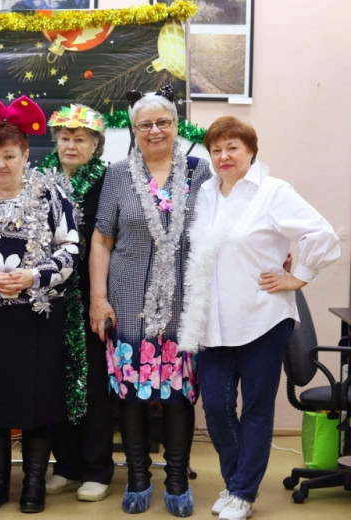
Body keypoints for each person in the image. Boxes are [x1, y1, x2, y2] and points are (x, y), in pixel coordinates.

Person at [178, 116, 340, 520]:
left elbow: (321, 233)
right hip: (212, 323)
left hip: (261, 319)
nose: (224, 156)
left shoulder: (273, 191)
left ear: (251, 151)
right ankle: (237, 484)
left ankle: (242, 493)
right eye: (216, 149)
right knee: (216, 409)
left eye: (233, 147)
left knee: (255, 409)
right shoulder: (205, 194)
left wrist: (299, 276)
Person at [0, 95, 80, 514]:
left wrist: (33, 277)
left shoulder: (51, 196)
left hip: (37, 315)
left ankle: (34, 483)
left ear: (25, 155)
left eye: (9, 156)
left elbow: (70, 249)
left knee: (39, 401)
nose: (1, 164)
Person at [89, 85, 211, 517]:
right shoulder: (118, 174)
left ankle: (177, 480)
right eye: (146, 125)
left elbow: (221, 227)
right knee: (132, 394)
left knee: (179, 394)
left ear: (176, 126)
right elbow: (102, 240)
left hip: (184, 302)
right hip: (127, 300)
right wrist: (98, 299)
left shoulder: (199, 171)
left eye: (163, 122)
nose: (155, 130)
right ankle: (138, 477)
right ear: (134, 130)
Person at [37, 104, 113, 502]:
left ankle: (97, 468)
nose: (71, 145)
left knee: (92, 382)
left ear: (95, 144)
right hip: (49, 296)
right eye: (64, 138)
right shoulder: (40, 179)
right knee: (56, 381)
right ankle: (66, 465)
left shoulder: (108, 180)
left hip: (92, 294)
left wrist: (100, 296)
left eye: (80, 139)